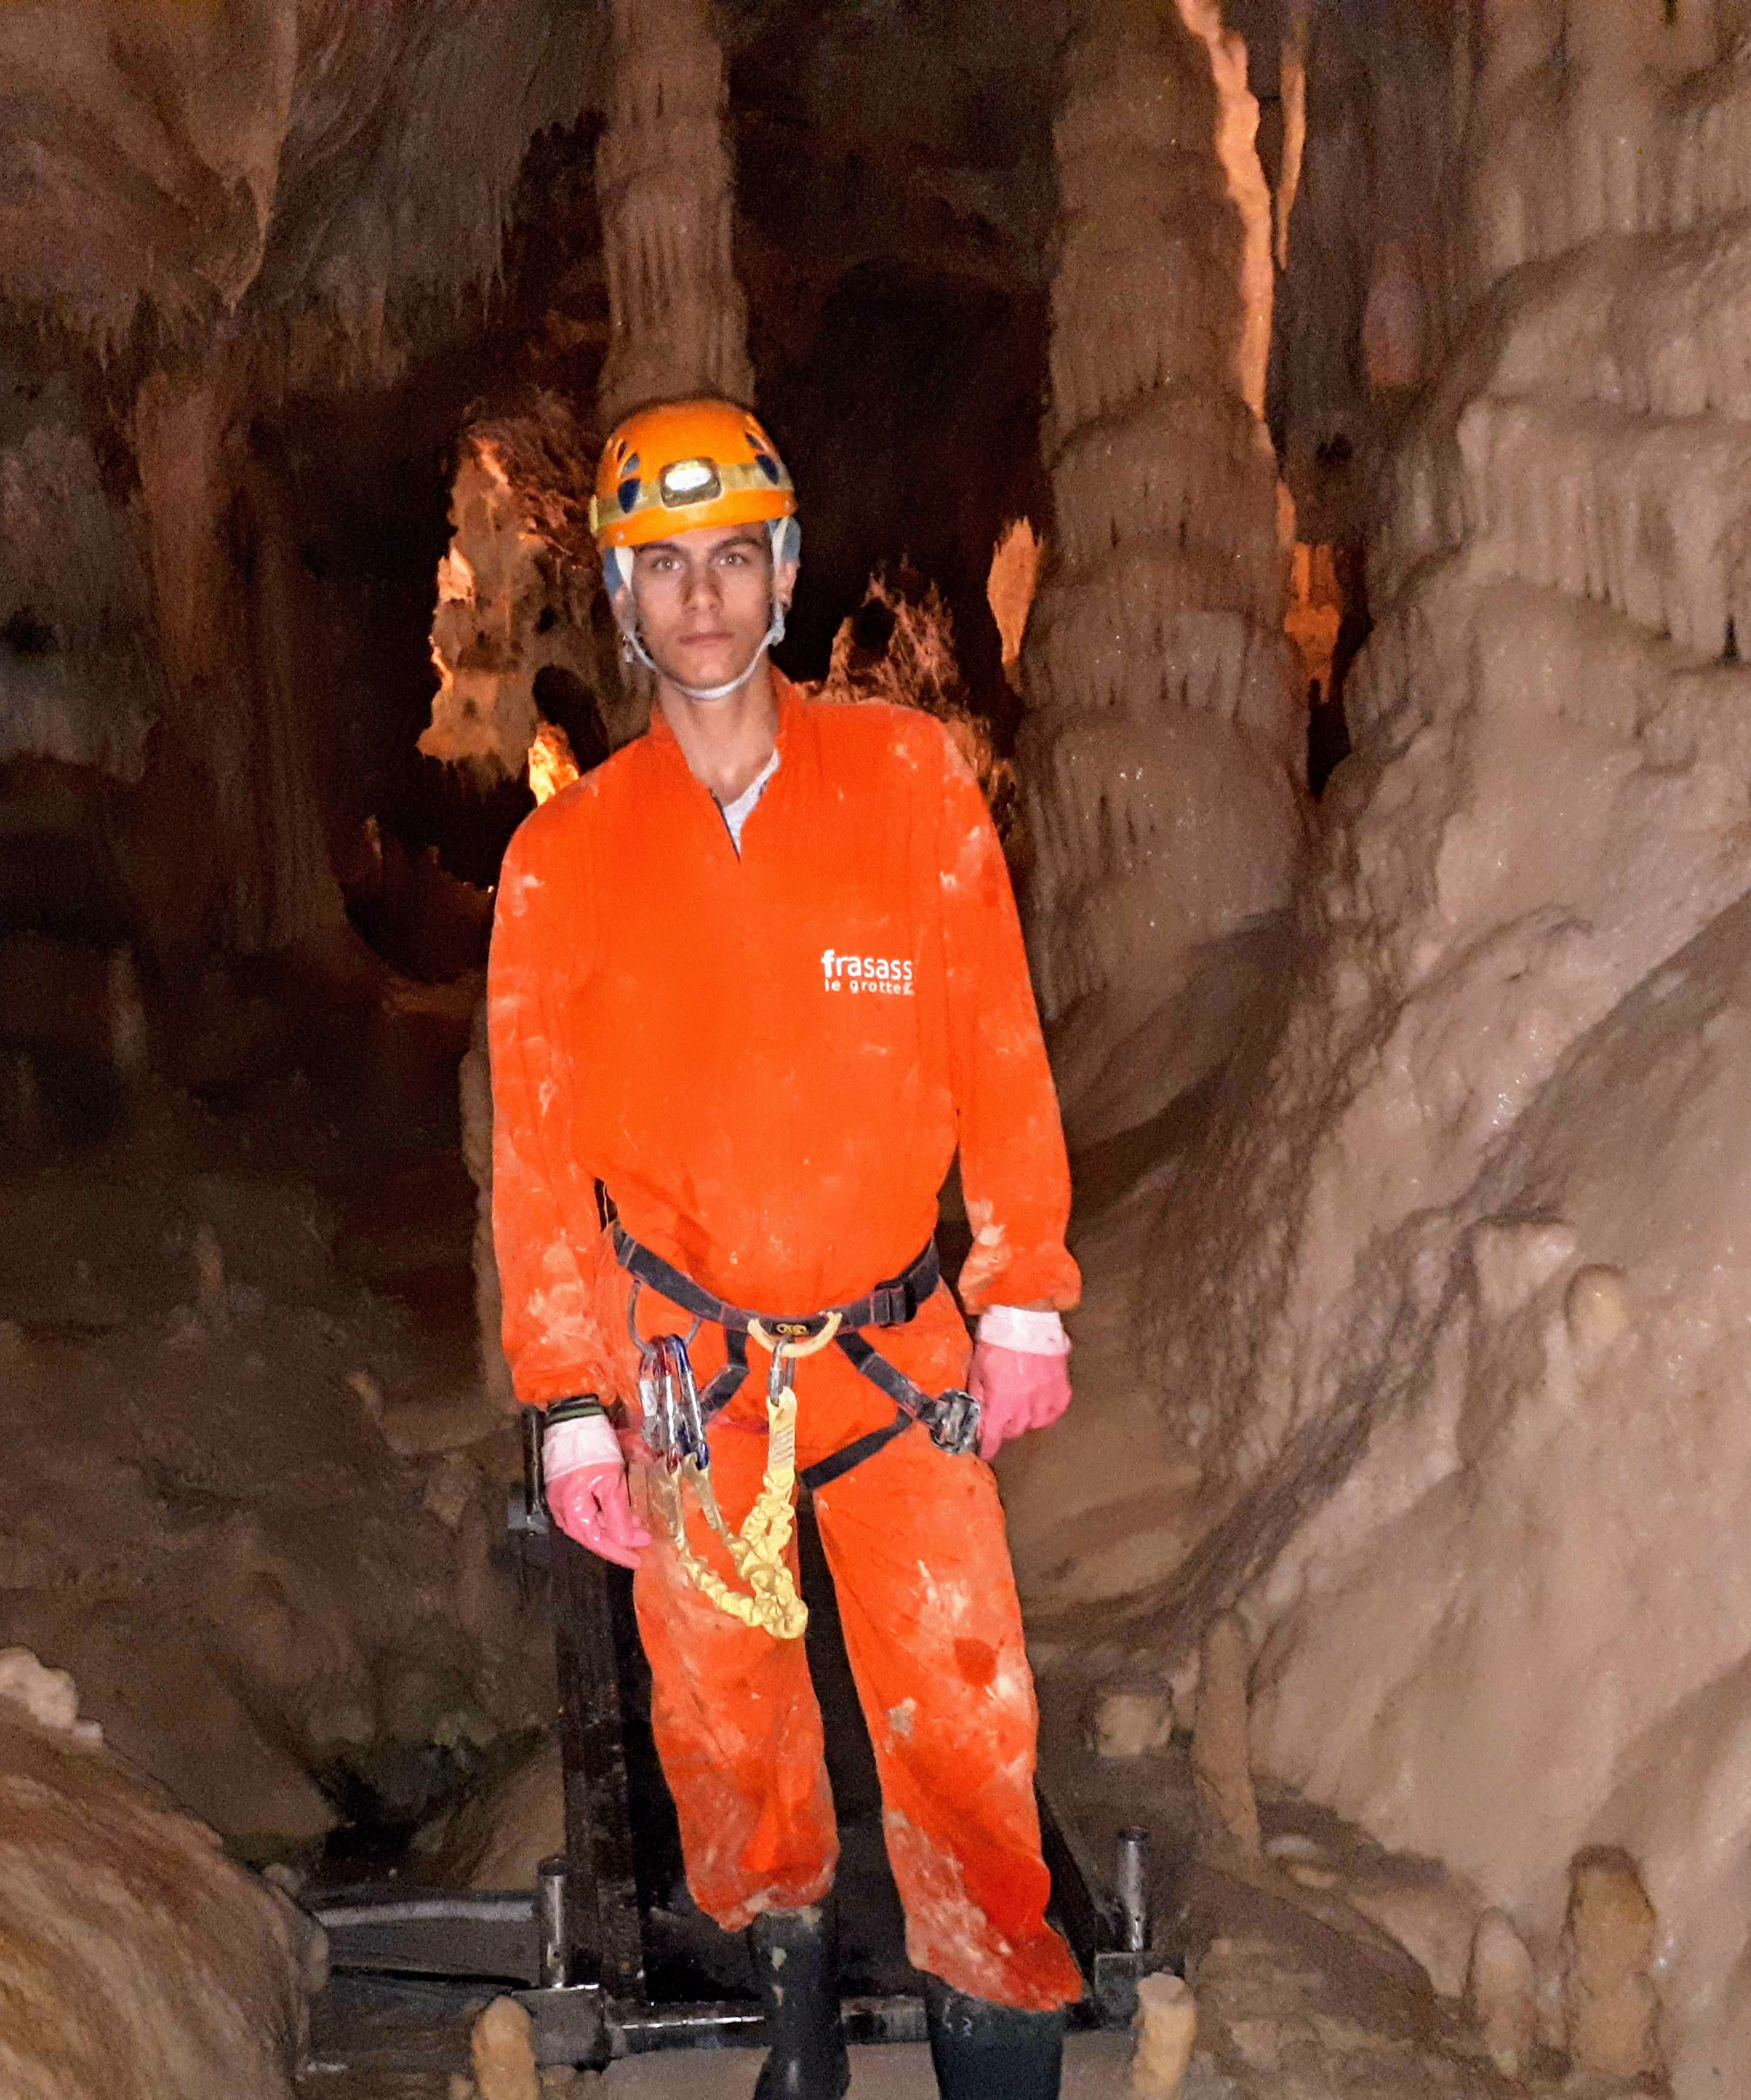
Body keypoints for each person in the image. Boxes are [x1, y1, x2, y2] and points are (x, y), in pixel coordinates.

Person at [486, 397, 1082, 2100]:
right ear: (619, 596)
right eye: (661, 569)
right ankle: (798, 2027)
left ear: (784, 572)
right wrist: (570, 1400)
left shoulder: (905, 785)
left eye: (729, 560)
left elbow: (999, 1055)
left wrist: (1023, 1285)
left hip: (903, 1364)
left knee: (967, 1739)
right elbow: (537, 1168)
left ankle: (999, 2052)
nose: (699, 600)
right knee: (731, 1746)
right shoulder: (564, 861)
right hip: (687, 1381)